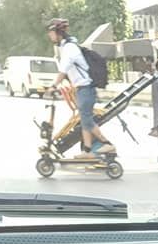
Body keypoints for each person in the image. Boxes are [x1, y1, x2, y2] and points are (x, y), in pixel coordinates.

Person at [46, 18, 115, 159]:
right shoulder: (66, 46)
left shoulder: (69, 48)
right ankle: (88, 151)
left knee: (87, 119)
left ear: (58, 32)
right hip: (82, 89)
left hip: (86, 88)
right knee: (84, 121)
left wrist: (53, 86)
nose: (49, 35)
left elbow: (63, 70)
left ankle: (107, 143)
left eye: (51, 32)